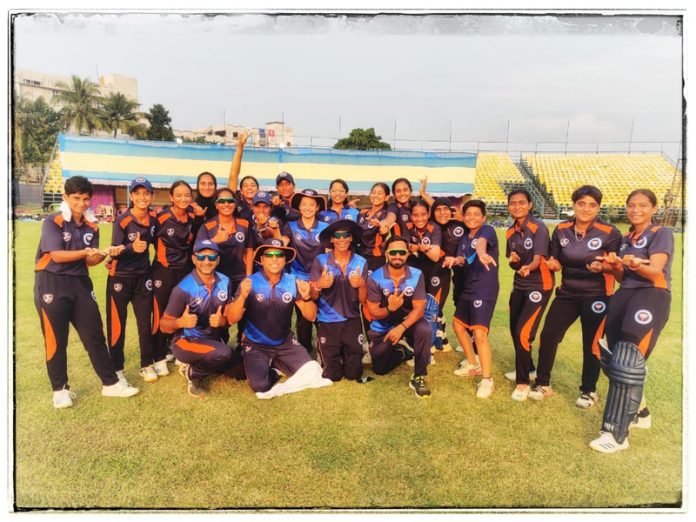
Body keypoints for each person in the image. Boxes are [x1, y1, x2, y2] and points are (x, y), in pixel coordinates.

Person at [34, 175, 139, 408]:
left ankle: (110, 384)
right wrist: (86, 253)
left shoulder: (92, 224)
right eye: (76, 198)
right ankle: (59, 390)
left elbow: (90, 261)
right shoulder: (54, 220)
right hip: (51, 282)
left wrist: (105, 253)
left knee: (94, 334)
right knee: (56, 339)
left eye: (85, 199)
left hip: (80, 283)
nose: (81, 203)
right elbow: (57, 255)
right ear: (65, 197)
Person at [589, 189, 673, 453]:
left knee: (628, 361)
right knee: (611, 357)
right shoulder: (625, 239)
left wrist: (637, 264)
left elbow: (655, 271)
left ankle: (615, 435)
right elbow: (623, 278)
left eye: (642, 205)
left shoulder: (661, 234)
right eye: (632, 206)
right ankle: (641, 413)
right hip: (625, 295)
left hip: (651, 296)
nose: (636, 210)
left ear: (654, 208)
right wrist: (609, 266)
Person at [530, 185, 622, 407]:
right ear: (574, 205)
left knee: (591, 344)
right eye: (581, 204)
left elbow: (617, 268)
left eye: (592, 205)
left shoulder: (610, 232)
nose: (586, 209)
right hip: (567, 293)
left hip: (598, 295)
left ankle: (588, 391)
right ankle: (543, 383)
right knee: (549, 335)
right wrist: (552, 264)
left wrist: (603, 268)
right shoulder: (561, 228)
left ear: (598, 207)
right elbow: (557, 260)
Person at [226, 238, 332, 398]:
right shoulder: (249, 282)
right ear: (261, 259)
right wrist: (242, 296)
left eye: (279, 254)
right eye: (269, 255)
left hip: (285, 343)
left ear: (285, 259)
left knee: (313, 371)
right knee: (260, 386)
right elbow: (232, 319)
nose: (274, 258)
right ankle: (274, 370)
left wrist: (306, 297)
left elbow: (311, 316)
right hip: (256, 344)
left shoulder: (293, 281)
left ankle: (277, 363)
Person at [159, 239, 245, 398]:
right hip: (186, 341)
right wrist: (180, 322)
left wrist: (222, 322)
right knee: (223, 353)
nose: (207, 262)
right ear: (194, 259)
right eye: (201, 257)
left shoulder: (225, 281)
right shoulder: (183, 289)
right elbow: (163, 325)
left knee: (242, 372)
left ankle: (208, 361)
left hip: (212, 341)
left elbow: (227, 319)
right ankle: (192, 373)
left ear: (218, 259)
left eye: (212, 257)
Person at [105, 177, 160, 384]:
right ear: (131, 196)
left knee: (145, 323)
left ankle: (146, 364)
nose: (142, 197)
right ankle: (117, 368)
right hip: (120, 278)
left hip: (143, 277)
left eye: (146, 193)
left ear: (152, 196)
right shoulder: (122, 220)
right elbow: (114, 250)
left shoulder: (154, 220)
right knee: (117, 324)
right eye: (137, 193)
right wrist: (131, 248)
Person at [503, 189, 554, 401]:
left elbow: (537, 259)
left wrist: (527, 267)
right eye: (512, 203)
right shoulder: (509, 232)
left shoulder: (538, 227)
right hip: (520, 284)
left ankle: (523, 383)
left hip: (539, 286)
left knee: (523, 333)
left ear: (530, 205)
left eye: (521, 203)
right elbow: (514, 262)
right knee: (515, 330)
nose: (517, 206)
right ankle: (529, 367)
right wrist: (515, 262)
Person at [366, 236, 432, 398]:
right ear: (386, 254)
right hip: (383, 327)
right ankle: (403, 352)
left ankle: (419, 376)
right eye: (393, 252)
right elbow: (374, 312)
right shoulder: (375, 277)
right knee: (379, 368)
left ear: (408, 254)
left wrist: (401, 328)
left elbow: (419, 309)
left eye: (401, 252)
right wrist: (390, 308)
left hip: (407, 324)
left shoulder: (416, 275)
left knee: (424, 328)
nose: (397, 256)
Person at [447, 200, 499, 399]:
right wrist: (454, 260)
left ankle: (487, 379)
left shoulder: (487, 230)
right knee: (458, 326)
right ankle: (472, 364)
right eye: (468, 214)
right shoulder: (464, 238)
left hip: (484, 288)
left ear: (483, 217)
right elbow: (463, 258)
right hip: (469, 287)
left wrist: (482, 254)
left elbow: (481, 246)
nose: (471, 217)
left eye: (476, 214)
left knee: (479, 334)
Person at [310, 219, 368, 381]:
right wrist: (319, 284)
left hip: (352, 319)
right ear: (332, 239)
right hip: (328, 320)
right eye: (338, 235)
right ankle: (331, 352)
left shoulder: (361, 262)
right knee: (332, 376)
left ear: (351, 238)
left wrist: (361, 285)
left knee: (354, 374)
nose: (342, 239)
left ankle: (345, 351)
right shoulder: (320, 260)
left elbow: (363, 301)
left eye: (346, 235)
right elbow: (313, 296)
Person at [152, 180, 197, 375]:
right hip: (163, 269)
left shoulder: (192, 216)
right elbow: (145, 239)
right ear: (171, 197)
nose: (183, 198)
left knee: (179, 310)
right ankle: (158, 356)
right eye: (178, 195)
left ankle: (176, 350)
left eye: (187, 194)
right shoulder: (160, 217)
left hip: (184, 269)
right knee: (161, 311)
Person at [280, 188, 330, 353]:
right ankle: (305, 352)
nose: (308, 208)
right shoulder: (291, 226)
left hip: (319, 277)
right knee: (303, 319)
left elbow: (330, 252)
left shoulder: (325, 227)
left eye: (311, 204)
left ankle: (326, 350)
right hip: (298, 278)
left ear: (317, 207)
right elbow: (282, 243)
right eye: (304, 204)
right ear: (299, 207)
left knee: (322, 315)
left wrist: (326, 275)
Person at [431, 197, 468, 351]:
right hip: (440, 271)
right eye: (438, 210)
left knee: (464, 305)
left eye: (445, 209)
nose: (442, 213)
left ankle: (471, 342)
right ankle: (440, 340)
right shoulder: (431, 227)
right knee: (434, 305)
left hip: (465, 271)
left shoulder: (459, 225)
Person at [357, 182, 394, 274]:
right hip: (359, 255)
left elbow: (389, 238)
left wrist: (383, 231)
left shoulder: (387, 215)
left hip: (376, 258)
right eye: (373, 192)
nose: (375, 195)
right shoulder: (363, 212)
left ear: (386, 197)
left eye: (380, 193)